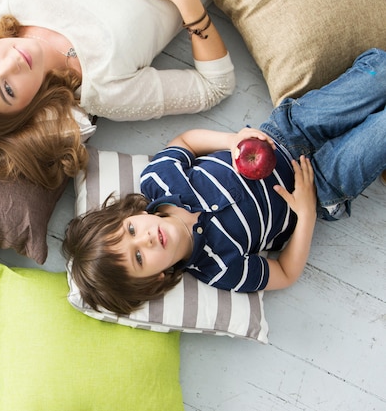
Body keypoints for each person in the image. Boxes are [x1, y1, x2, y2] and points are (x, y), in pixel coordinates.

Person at [62, 48, 386, 315]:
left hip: (285, 133)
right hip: (320, 185)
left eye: (130, 230)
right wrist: (306, 215)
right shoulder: (219, 269)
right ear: (155, 278)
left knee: (378, 73)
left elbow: (186, 141)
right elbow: (285, 273)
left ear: (128, 216)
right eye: (138, 258)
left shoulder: (159, 182)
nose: (144, 239)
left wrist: (233, 141)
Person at [0, 0, 235, 189]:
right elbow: (214, 86)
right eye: (7, 90)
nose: (11, 63)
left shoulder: (1, 3)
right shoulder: (106, 90)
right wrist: (186, 2)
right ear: (26, 110)